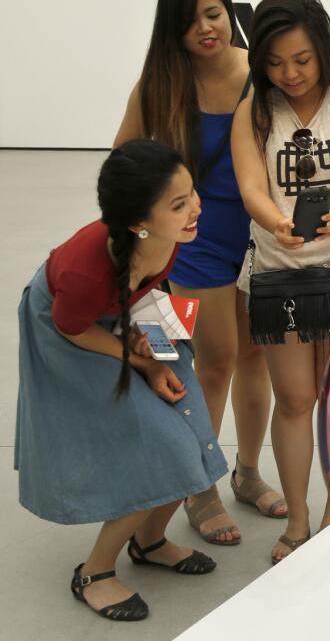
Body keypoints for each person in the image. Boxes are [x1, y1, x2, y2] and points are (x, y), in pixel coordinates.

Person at [15, 140, 227, 621]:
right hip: (71, 326)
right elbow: (70, 326)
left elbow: (150, 287)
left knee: (192, 434)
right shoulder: (86, 272)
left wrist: (149, 340)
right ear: (138, 222)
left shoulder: (171, 236)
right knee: (160, 449)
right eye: (178, 205)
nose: (196, 208)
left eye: (192, 193)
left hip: (124, 312)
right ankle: (93, 573)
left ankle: (149, 542)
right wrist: (146, 364)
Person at [113, 0, 283, 546]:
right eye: (191, 22)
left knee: (257, 361)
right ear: (173, 31)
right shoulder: (160, 86)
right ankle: (200, 487)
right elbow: (123, 166)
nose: (206, 29)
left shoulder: (258, 75)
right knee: (213, 363)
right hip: (195, 246)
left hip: (259, 238)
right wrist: (140, 244)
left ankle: (248, 472)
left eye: (214, 14)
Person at [231, 0, 330, 563]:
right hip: (280, 276)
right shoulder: (254, 110)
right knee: (294, 399)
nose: (289, 73)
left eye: (301, 59)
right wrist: (275, 221)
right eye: (274, 62)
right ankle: (298, 521)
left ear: (323, 49)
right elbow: (251, 186)